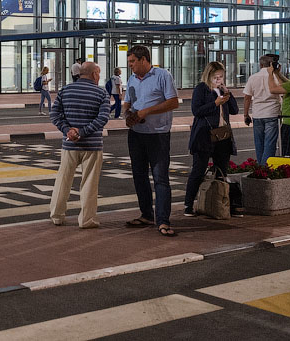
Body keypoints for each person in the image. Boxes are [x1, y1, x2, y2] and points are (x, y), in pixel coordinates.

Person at [122, 45, 179, 237]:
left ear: (144, 59)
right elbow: (127, 102)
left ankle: (163, 220)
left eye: (132, 61)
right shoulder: (132, 79)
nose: (130, 65)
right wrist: (128, 114)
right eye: (129, 62)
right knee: (139, 176)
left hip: (158, 134)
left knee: (160, 178)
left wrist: (146, 112)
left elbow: (173, 102)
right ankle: (146, 214)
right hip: (136, 133)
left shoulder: (163, 75)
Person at [48, 61, 110, 228]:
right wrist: (82, 132)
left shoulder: (65, 90)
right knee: (89, 183)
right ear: (94, 74)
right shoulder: (101, 93)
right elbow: (103, 118)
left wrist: (68, 130)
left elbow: (54, 114)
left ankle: (57, 215)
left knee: (63, 180)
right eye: (98, 73)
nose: (99, 76)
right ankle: (87, 220)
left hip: (69, 145)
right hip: (92, 146)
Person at [184, 61, 244, 217]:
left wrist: (228, 93)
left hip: (222, 135)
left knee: (222, 171)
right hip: (204, 135)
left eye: (221, 77)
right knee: (198, 170)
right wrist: (215, 103)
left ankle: (220, 204)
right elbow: (197, 111)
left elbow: (234, 110)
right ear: (208, 76)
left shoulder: (222, 90)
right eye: (216, 77)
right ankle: (188, 204)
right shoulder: (201, 89)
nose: (219, 80)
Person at [243, 54, 281, 165]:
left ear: (260, 65)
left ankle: (260, 168)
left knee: (259, 143)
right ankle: (265, 168)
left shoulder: (253, 77)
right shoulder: (275, 77)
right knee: (270, 143)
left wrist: (246, 114)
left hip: (257, 114)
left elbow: (247, 97)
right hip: (272, 113)